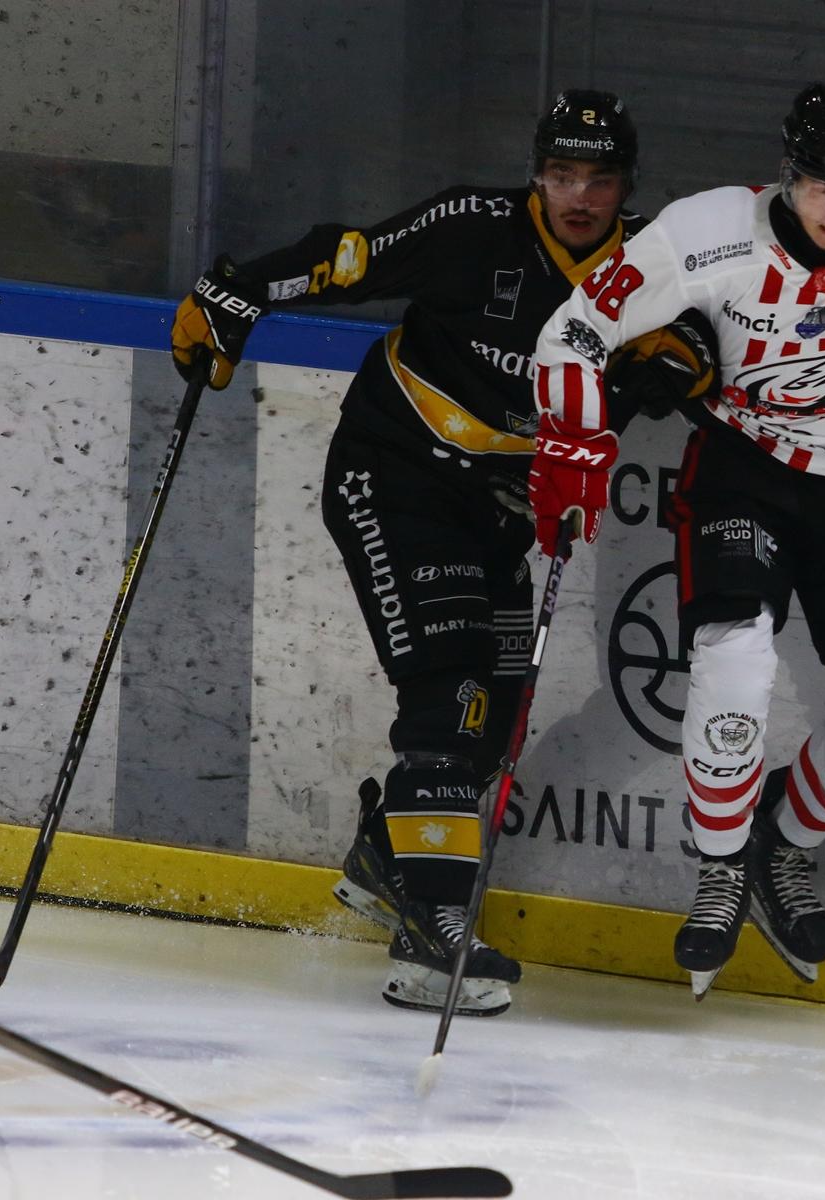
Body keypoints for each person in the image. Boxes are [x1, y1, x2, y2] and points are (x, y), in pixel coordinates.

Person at [169, 91, 715, 1017]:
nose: (578, 196)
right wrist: (234, 295)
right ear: (536, 173)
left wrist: (687, 357)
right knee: (450, 690)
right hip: (396, 475)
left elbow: (711, 332)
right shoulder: (473, 226)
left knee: (492, 721)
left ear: (628, 186)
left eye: (601, 179)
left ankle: (389, 856)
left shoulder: (650, 262)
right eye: (561, 174)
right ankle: (434, 926)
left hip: (505, 509)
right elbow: (347, 259)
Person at [525, 82, 825, 997]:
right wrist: (571, 446)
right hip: (745, 468)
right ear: (784, 175)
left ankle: (780, 846)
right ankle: (720, 869)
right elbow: (571, 334)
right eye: (817, 187)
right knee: (734, 662)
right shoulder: (705, 235)